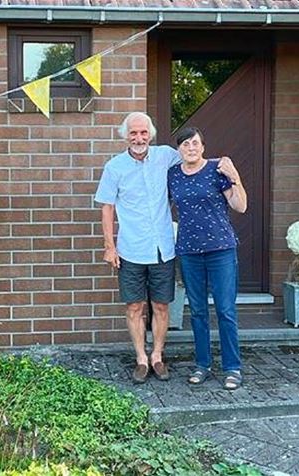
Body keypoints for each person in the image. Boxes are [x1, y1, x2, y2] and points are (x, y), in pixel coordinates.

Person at [94, 112, 180, 384]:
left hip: (162, 248)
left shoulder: (167, 156)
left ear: (151, 134)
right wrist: (110, 246)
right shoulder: (115, 167)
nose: (139, 138)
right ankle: (141, 359)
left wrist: (222, 164)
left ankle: (157, 355)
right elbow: (107, 208)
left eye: (143, 133)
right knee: (134, 306)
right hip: (130, 248)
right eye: (133, 133)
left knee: (161, 305)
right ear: (125, 136)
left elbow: (193, 160)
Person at [168, 126, 247, 390]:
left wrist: (235, 177)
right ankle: (202, 364)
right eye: (185, 144)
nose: (190, 148)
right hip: (189, 251)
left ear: (203, 147)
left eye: (195, 143)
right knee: (198, 312)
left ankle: (232, 368)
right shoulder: (173, 175)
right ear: (179, 149)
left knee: (225, 310)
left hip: (221, 250)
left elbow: (240, 206)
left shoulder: (217, 169)